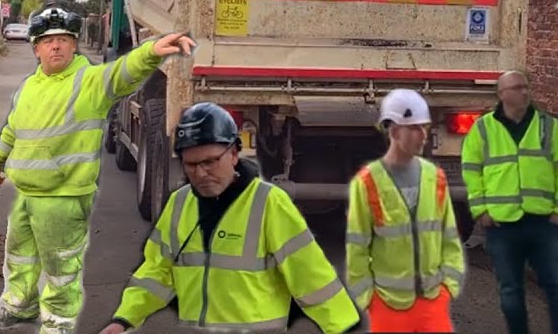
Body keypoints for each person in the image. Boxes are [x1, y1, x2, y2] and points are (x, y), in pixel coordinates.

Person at [0, 6, 195, 334]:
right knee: (20, 255)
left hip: (65, 197)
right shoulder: (29, 86)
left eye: (64, 39)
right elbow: (13, 128)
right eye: (48, 41)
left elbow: (122, 72)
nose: (56, 46)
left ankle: (57, 323)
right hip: (27, 193)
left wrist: (151, 52)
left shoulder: (89, 81)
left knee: (60, 267)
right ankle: (19, 304)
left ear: (73, 44)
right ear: (36, 48)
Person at [97, 102, 361, 334]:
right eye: (191, 164)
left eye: (210, 162)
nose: (201, 173)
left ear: (234, 154)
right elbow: (157, 271)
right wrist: (124, 319)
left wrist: (342, 326)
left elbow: (310, 275)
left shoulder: (269, 203)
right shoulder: (179, 203)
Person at [461, 69, 558, 334]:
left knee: (555, 287)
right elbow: (471, 169)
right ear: (501, 94)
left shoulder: (549, 126)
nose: (524, 92)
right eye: (516, 88)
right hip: (502, 223)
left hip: (543, 221)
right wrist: (480, 210)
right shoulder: (483, 128)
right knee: (511, 291)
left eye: (526, 87)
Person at [345, 88, 465, 333]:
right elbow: (357, 248)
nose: (423, 136)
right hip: (387, 307)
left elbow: (450, 237)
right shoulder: (367, 182)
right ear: (394, 131)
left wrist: (449, 287)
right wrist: (368, 299)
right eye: (414, 128)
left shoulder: (435, 177)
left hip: (433, 303)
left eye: (425, 127)